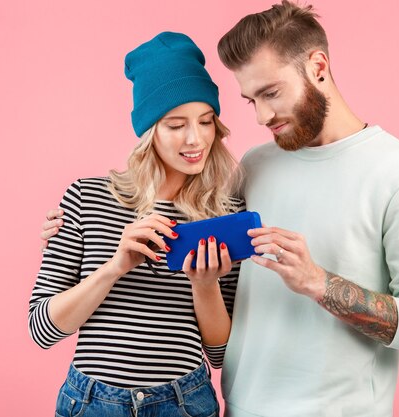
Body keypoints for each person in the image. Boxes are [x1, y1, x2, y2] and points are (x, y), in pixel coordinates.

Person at [41, 2, 399, 416]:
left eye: (271, 93)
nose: (261, 116)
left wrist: (319, 283)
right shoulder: (255, 167)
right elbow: (178, 202)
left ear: (318, 67)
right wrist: (73, 222)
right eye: (249, 100)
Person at [29, 31, 245, 417]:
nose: (195, 139)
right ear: (149, 132)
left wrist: (205, 285)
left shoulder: (226, 214)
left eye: (206, 121)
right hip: (92, 403)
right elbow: (43, 329)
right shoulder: (87, 197)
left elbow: (219, 354)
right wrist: (114, 267)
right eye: (176, 124)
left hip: (184, 402)